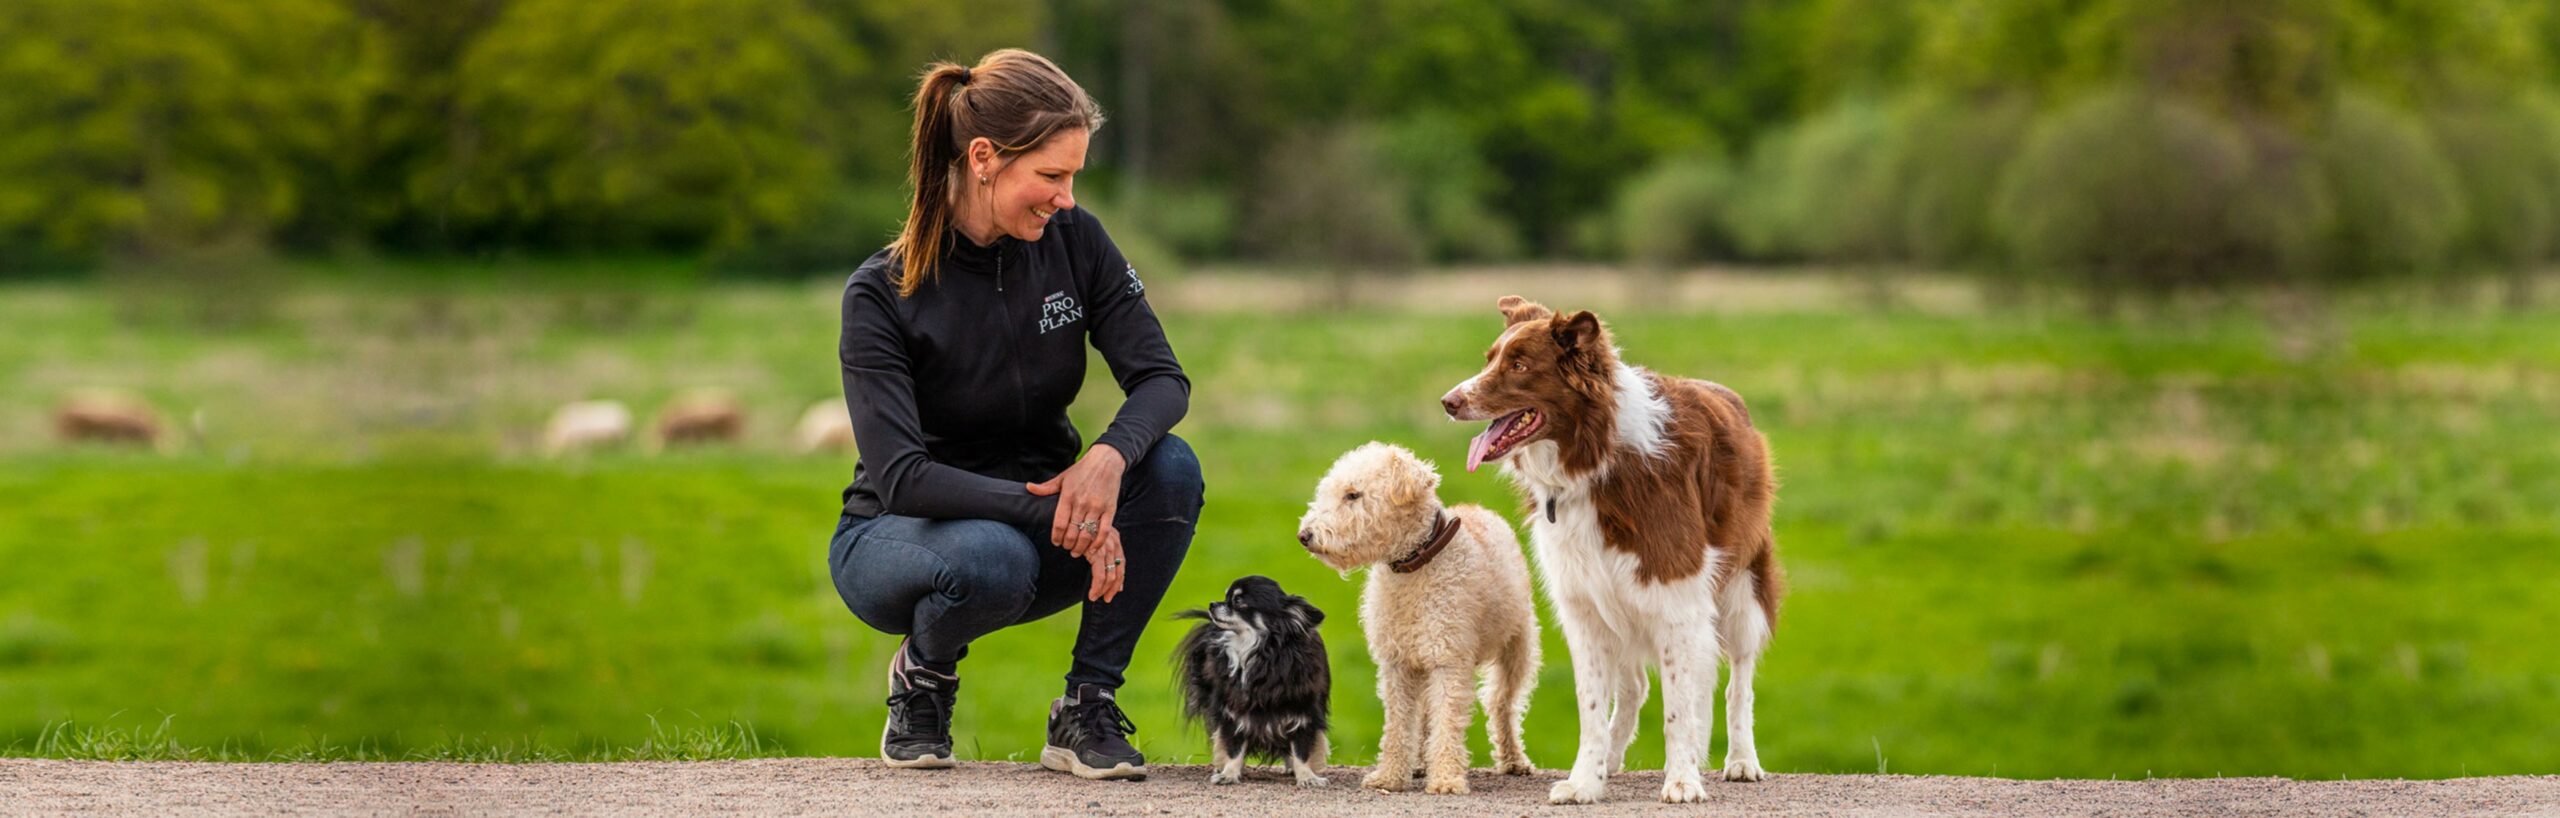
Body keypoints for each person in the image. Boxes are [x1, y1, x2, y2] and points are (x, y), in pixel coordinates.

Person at [826, 48, 1200, 782]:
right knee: (993, 557)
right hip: (901, 538)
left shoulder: (1076, 240)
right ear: (985, 157)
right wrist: (1063, 510)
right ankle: (924, 679)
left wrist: (1108, 458)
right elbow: (903, 477)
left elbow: (1162, 378)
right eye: (1051, 176)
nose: (1065, 198)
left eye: (1074, 178)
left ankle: (1087, 707)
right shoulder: (880, 293)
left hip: (1048, 527)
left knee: (1171, 466)